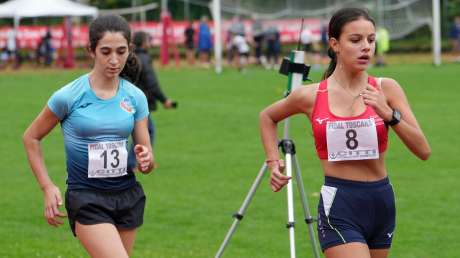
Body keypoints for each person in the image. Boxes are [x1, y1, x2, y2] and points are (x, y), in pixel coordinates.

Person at [259, 8, 430, 258]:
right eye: (355, 40)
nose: (366, 47)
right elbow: (267, 116)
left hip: (381, 201)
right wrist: (273, 162)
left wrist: (388, 114)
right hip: (340, 203)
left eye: (371, 40)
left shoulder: (387, 89)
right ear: (335, 44)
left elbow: (423, 150)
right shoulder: (311, 95)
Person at [23, 15, 155, 258]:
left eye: (121, 51)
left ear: (130, 50)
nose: (114, 60)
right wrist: (47, 186)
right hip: (87, 197)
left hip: (127, 195)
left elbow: (147, 161)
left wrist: (146, 159)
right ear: (91, 51)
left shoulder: (135, 97)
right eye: (105, 52)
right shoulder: (68, 96)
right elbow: (31, 137)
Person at [128, 31, 175, 171]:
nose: (150, 43)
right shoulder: (144, 58)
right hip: (140, 102)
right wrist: (164, 100)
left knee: (142, 131)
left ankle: (133, 162)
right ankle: (135, 163)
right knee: (147, 130)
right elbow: (152, 83)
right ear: (143, 42)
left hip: (128, 100)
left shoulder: (131, 57)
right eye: (148, 40)